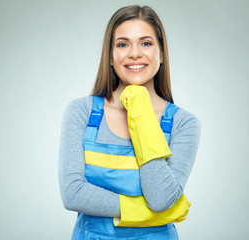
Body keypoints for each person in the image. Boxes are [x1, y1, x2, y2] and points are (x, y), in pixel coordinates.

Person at [58, 5, 201, 240]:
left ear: (161, 54)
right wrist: (146, 212)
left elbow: (161, 198)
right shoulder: (81, 112)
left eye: (146, 43)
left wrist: (140, 109)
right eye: (123, 44)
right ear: (111, 57)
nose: (134, 53)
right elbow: (73, 193)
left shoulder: (183, 124)